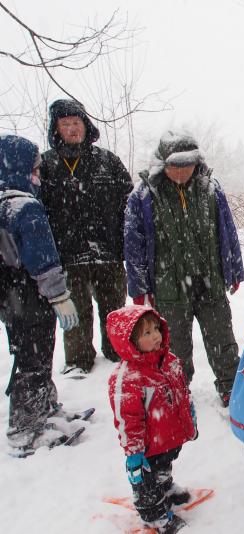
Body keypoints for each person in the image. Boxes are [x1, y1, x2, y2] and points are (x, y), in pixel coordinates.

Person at [124, 131, 244, 406]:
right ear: (162, 164)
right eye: (174, 166)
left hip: (210, 280)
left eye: (187, 165)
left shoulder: (211, 189)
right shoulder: (144, 195)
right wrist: (140, 288)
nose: (181, 171)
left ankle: (230, 386)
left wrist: (234, 270)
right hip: (168, 286)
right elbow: (134, 246)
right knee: (175, 344)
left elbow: (227, 231)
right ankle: (176, 388)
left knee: (221, 337)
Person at [39, 99, 133, 374]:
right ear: (56, 128)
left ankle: (118, 351)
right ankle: (79, 361)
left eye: (76, 123)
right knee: (76, 313)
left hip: (108, 253)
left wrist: (126, 244)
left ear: (85, 125)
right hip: (68, 255)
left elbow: (129, 202)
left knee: (114, 309)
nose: (72, 129)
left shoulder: (107, 161)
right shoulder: (46, 165)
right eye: (65, 124)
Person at [0, 134, 80, 455]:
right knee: (36, 358)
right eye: (34, 169)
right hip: (32, 295)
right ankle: (26, 429)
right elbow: (42, 258)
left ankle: (46, 408)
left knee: (26, 355)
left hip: (10, 300)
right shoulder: (25, 207)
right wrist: (59, 296)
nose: (37, 175)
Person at [107, 305, 197, 534]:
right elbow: (128, 421)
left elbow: (181, 393)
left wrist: (190, 416)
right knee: (146, 482)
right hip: (147, 447)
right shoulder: (127, 378)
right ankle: (153, 514)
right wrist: (134, 452)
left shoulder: (169, 361)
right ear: (129, 341)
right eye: (147, 333)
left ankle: (165, 487)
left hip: (168, 438)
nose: (156, 335)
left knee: (163, 467)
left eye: (156, 328)